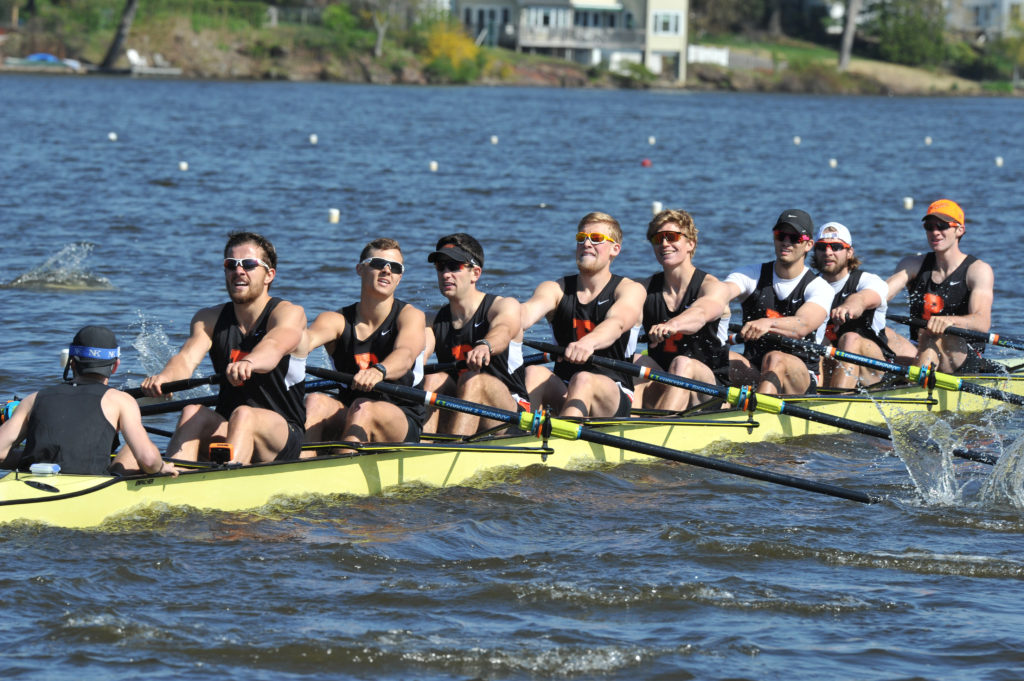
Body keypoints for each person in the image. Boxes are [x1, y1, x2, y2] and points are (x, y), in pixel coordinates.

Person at [132, 231, 308, 465]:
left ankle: (227, 482)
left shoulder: (289, 313)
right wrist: (164, 379)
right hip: (228, 425)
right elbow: (186, 359)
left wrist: (249, 362)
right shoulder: (209, 318)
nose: (239, 271)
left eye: (248, 264)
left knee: (244, 414)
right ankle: (174, 477)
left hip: (283, 433)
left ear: (269, 275)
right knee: (192, 411)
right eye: (231, 264)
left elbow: (274, 346)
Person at [0, 326, 176, 477]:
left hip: (31, 483)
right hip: (86, 488)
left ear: (72, 363)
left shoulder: (33, 399)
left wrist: (31, 456)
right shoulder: (121, 400)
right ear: (115, 366)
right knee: (134, 448)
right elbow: (149, 461)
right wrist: (162, 467)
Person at [301, 238, 426, 446]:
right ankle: (301, 464)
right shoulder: (335, 320)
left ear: (399, 277)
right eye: (378, 263)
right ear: (360, 269)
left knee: (364, 406)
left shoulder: (411, 316)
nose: (387, 271)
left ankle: (343, 467)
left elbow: (405, 354)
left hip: (401, 418)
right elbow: (304, 342)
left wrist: (379, 371)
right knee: (315, 400)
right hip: (351, 410)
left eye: (395, 267)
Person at [520, 212, 645, 418]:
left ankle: (563, 443)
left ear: (615, 249)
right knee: (533, 372)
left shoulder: (630, 290)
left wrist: (589, 343)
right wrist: (500, 328)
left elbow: (617, 323)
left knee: (583, 379)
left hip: (613, 393)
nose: (586, 243)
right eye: (581, 238)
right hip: (564, 388)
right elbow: (525, 314)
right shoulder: (555, 288)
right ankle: (514, 438)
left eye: (596, 239)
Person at [422, 233, 530, 435]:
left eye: (454, 266)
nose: (446, 274)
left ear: (475, 273)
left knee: (474, 380)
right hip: (463, 406)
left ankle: (453, 450)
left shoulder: (503, 306)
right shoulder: (432, 320)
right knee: (433, 379)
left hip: (511, 416)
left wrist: (485, 345)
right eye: (440, 266)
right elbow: (418, 355)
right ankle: (420, 449)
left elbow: (503, 330)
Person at [724, 209, 833, 395]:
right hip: (756, 369)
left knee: (775, 358)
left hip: (801, 377)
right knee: (715, 356)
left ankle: (756, 414)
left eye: (795, 238)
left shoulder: (820, 288)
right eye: (781, 235)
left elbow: (803, 325)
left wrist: (768, 324)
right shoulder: (749, 275)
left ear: (808, 245)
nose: (786, 242)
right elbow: (721, 293)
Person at [634, 209, 731, 411]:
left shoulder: (713, 287)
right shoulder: (642, 289)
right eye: (658, 239)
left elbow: (702, 313)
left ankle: (661, 426)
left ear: (690, 244)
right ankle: (625, 424)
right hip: (665, 379)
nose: (664, 244)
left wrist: (673, 324)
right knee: (636, 360)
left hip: (709, 389)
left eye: (672, 237)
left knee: (682, 363)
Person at [885, 199, 994, 374]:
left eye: (942, 226)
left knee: (933, 333)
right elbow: (882, 294)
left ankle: (913, 389)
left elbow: (982, 322)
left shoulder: (978, 270)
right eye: (929, 226)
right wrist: (857, 302)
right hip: (919, 349)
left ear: (960, 230)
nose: (935, 232)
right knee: (874, 332)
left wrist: (950, 321)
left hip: (961, 355)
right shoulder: (912, 264)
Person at [811, 222, 893, 389]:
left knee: (850, 338)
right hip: (830, 364)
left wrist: (849, 307)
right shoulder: (809, 285)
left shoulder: (868, 281)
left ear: (849, 252)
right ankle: (814, 395)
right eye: (821, 247)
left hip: (874, 370)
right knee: (815, 343)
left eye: (835, 247)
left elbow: (863, 299)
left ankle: (838, 399)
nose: (828, 252)